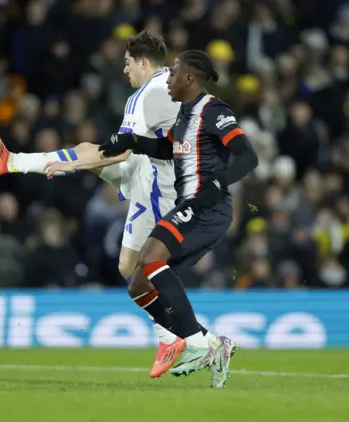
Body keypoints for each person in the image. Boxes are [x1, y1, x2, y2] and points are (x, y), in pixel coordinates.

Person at [0, 30, 222, 378]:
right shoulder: (165, 85)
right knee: (85, 152)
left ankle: (192, 338)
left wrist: (73, 167)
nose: (124, 70)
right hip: (153, 167)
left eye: (126, 63)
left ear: (142, 62)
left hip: (166, 184)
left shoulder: (149, 93)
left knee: (132, 268)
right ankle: (11, 161)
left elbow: (122, 148)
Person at [98, 50, 259, 388]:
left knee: (150, 256)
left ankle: (196, 344)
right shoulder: (184, 118)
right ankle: (212, 344)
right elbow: (165, 149)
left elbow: (248, 155)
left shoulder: (213, 111)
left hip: (207, 206)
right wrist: (131, 141)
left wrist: (220, 182)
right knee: (138, 285)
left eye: (173, 76)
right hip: (191, 205)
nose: (167, 80)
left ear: (189, 79)